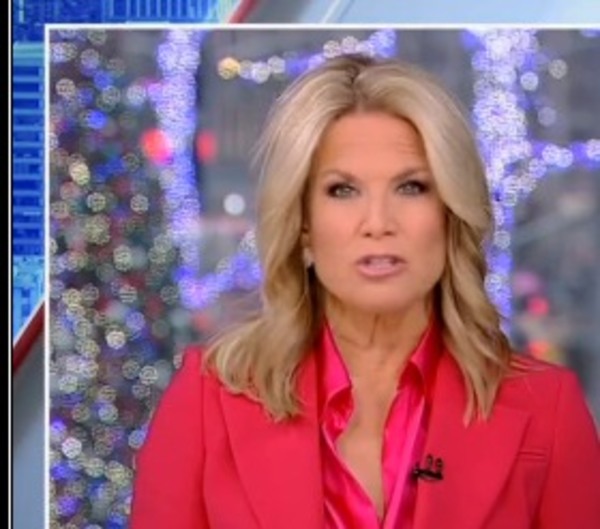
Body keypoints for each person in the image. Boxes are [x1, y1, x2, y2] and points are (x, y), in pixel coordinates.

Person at [129, 54, 600, 529]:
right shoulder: (207, 401)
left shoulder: (547, 409)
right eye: (342, 190)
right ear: (304, 225)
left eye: (411, 187)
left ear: (450, 215)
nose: (378, 223)